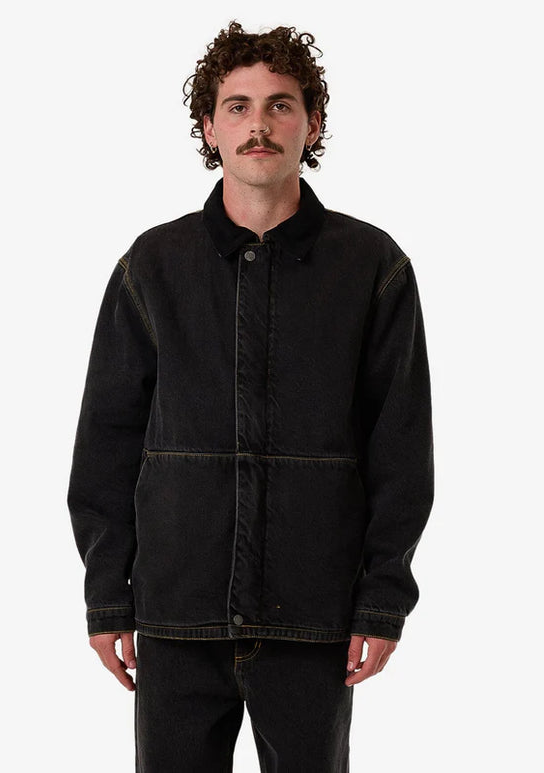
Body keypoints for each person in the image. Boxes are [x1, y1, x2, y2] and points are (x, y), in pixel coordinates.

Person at [67, 20, 434, 772]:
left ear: (312, 123)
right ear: (209, 126)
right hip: (177, 614)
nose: (258, 125)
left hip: (314, 618)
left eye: (279, 105)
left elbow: (400, 448)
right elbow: (106, 441)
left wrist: (382, 598)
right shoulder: (153, 265)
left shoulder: (372, 267)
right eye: (237, 106)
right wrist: (107, 595)